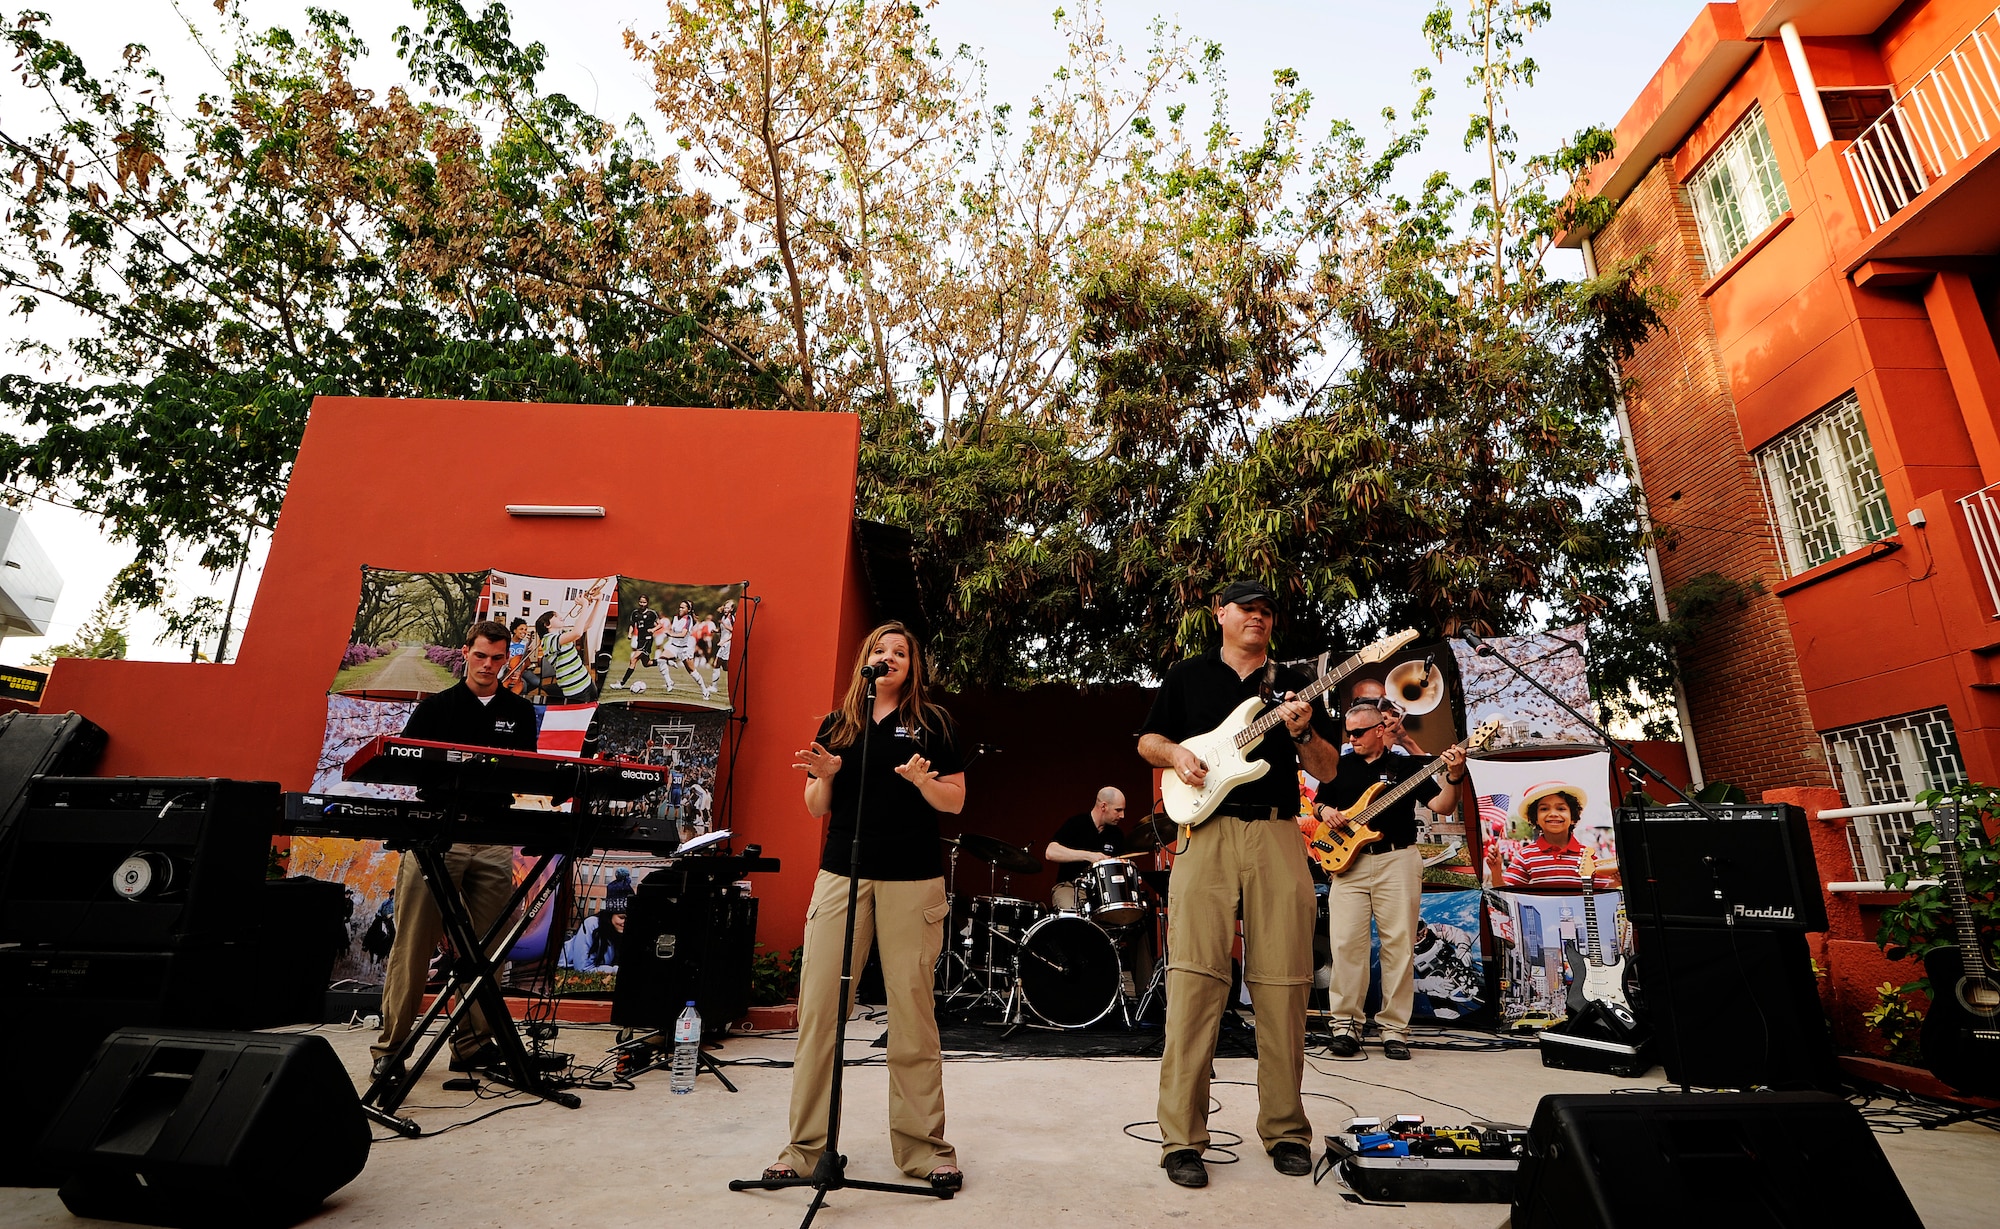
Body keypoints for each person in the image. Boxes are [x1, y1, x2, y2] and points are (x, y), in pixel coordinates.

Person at [1137, 580, 1338, 1189]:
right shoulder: (1188, 676)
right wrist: (1176, 755)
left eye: (1268, 610)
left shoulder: (1295, 683)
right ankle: (1182, 1139)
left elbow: (1327, 769)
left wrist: (1303, 732)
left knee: (1283, 984)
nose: (1257, 616)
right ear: (1220, 614)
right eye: (1246, 607)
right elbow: (1146, 740)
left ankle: (1285, 1130)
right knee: (1195, 981)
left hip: (1278, 836)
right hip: (1205, 834)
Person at [764, 623, 966, 1192]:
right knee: (820, 1011)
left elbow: (954, 801)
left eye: (900, 652)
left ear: (913, 666)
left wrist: (925, 783)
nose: (889, 657)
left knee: (911, 1014)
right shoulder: (840, 726)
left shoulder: (935, 724)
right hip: (841, 876)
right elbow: (814, 807)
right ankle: (804, 1150)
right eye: (880, 650)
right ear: (864, 661)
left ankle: (925, 1150)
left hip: (913, 879)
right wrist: (824, 776)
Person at [370, 620, 540, 1083]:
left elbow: (525, 773)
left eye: (497, 658)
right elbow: (407, 767)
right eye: (481, 655)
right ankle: (391, 1048)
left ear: (508, 659)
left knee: (487, 949)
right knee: (413, 942)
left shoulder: (521, 713)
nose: (488, 666)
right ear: (465, 652)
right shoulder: (436, 708)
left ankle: (472, 1045)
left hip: (493, 840)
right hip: (435, 839)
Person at [1314, 701, 1465, 1062]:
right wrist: (1326, 812)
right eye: (1348, 733)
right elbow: (1318, 804)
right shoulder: (1339, 764)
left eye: (1359, 733)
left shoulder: (1406, 767)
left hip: (1397, 859)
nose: (1352, 739)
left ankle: (1394, 1029)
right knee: (1346, 945)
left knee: (1399, 945)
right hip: (1348, 864)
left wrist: (1456, 774)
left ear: (1380, 729)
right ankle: (1345, 1026)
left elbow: (1443, 806)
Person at [1487, 782, 1612, 888]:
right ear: (1535, 818)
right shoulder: (1525, 856)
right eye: (1544, 809)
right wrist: (1496, 872)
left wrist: (1616, 881)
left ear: (1573, 817)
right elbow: (1506, 894)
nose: (1553, 813)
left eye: (1561, 808)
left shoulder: (1588, 855)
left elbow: (1603, 893)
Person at [1045, 787, 1127, 912]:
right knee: (1075, 919)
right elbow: (1050, 852)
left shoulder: (1116, 834)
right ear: (1103, 806)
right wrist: (1089, 856)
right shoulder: (1076, 824)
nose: (1122, 815)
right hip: (1070, 887)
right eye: (1118, 810)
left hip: (1102, 893)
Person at [1342, 679, 1422, 756]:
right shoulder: (1340, 754)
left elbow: (1431, 768)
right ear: (1351, 713)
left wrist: (1406, 741)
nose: (1375, 712)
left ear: (1390, 712)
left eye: (1382, 705)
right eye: (1365, 705)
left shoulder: (1401, 752)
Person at [535, 609, 597, 705]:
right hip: (575, 689)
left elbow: (587, 625)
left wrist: (598, 601)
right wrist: (584, 606)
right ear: (547, 625)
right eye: (555, 616)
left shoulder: (563, 634)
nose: (560, 616)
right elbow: (577, 633)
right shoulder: (547, 640)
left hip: (587, 680)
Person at [614, 594, 659, 690]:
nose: (642, 604)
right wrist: (630, 634)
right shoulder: (635, 613)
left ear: (647, 603)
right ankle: (664, 662)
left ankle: (621, 683)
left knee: (633, 659)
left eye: (644, 602)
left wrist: (653, 629)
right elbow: (632, 624)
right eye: (640, 602)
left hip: (647, 639)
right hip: (640, 639)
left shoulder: (651, 613)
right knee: (646, 663)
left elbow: (660, 625)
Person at [559, 907, 623, 973]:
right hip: (560, 962)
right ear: (610, 914)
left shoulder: (617, 933)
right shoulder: (592, 924)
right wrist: (615, 970)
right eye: (621, 917)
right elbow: (582, 968)